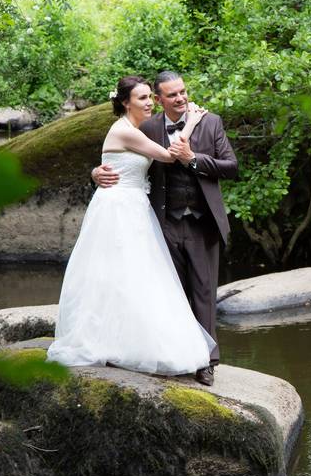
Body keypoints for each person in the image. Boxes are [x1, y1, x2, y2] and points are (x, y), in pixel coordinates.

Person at [47, 75, 216, 379]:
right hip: (119, 208)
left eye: (151, 97)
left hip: (134, 205)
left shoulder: (136, 129)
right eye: (142, 98)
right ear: (125, 102)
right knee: (120, 274)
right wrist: (191, 122)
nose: (149, 102)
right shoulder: (125, 130)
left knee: (133, 276)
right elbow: (168, 155)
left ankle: (124, 339)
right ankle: (113, 342)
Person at [91, 71, 238, 386]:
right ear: (159, 99)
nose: (181, 98)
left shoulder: (210, 122)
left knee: (203, 291)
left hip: (201, 222)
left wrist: (195, 159)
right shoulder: (145, 125)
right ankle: (176, 355)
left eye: (183, 92)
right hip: (161, 221)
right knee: (167, 291)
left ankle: (207, 362)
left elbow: (231, 166)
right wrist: (96, 172)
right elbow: (116, 155)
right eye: (172, 95)